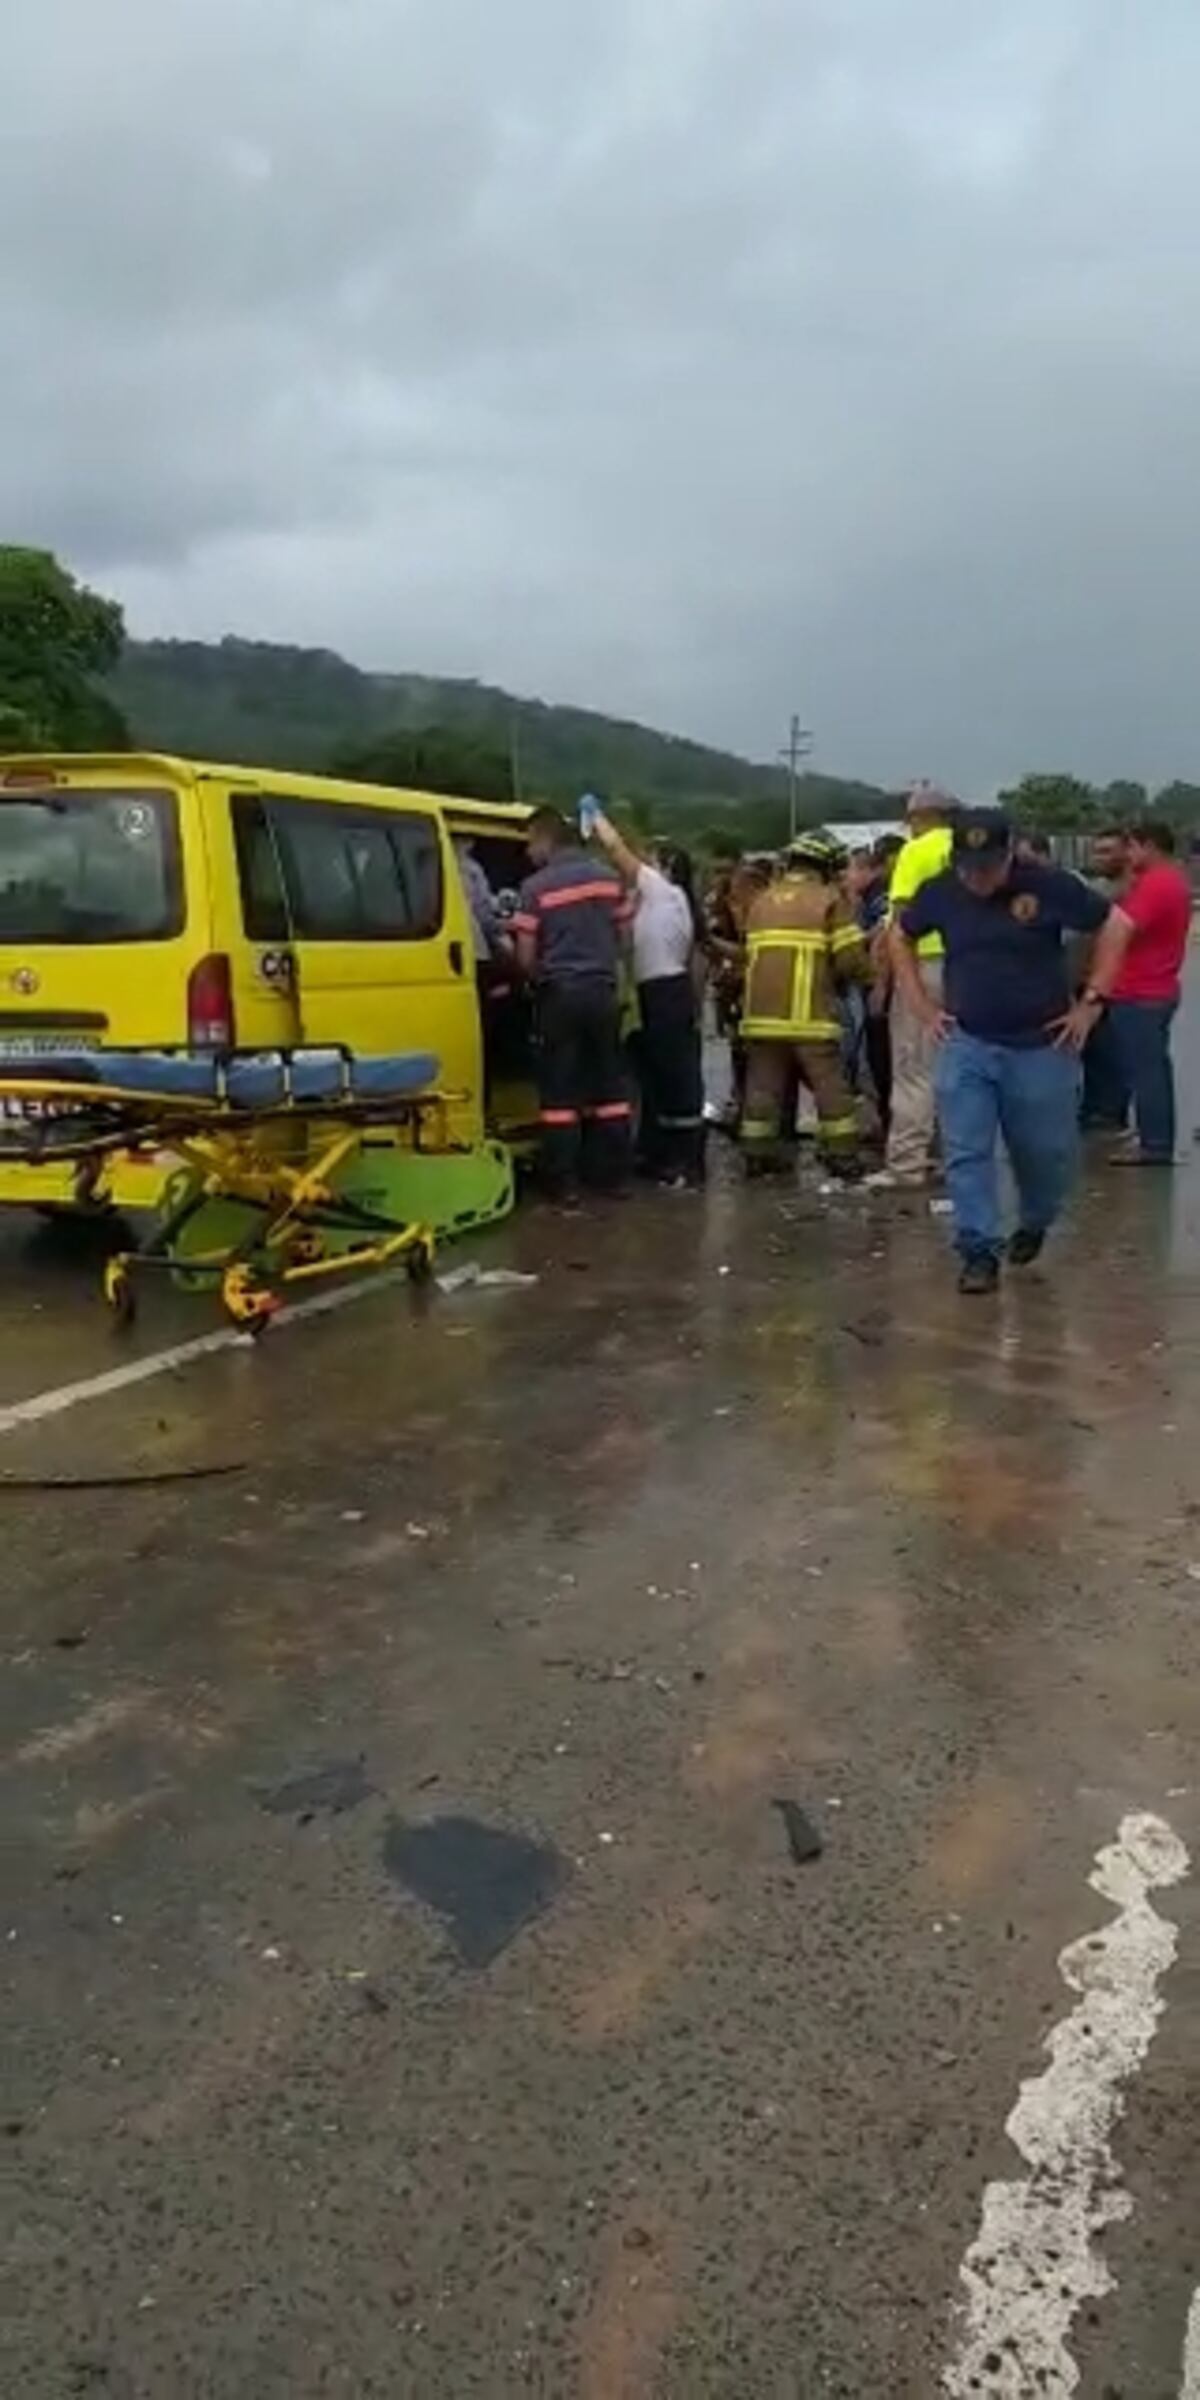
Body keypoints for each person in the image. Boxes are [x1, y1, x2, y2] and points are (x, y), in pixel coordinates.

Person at [893, 809, 1132, 1294]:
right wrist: (919, 1002)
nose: (977, 878)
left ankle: (1035, 1221)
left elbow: (1117, 925)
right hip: (969, 1041)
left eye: (988, 867)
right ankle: (978, 1250)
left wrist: (1091, 1003)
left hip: (1042, 1046)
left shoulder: (1048, 886)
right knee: (966, 1152)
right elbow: (899, 934)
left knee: (1045, 1155)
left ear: (1009, 855)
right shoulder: (940, 891)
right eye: (968, 867)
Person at [512, 808, 633, 1197]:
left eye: (531, 842)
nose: (529, 852)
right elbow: (626, 939)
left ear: (547, 839)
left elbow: (525, 956)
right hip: (603, 992)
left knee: (559, 1092)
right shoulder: (608, 879)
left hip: (560, 995)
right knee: (610, 1088)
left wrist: (535, 982)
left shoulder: (535, 888)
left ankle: (564, 1182)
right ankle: (613, 1178)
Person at [739, 831, 873, 1179]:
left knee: (763, 1085)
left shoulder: (763, 901)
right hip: (809, 1016)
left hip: (761, 1016)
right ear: (826, 866)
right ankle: (843, 1156)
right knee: (829, 1085)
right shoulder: (830, 900)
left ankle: (757, 1154)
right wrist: (870, 976)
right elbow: (849, 962)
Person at [587, 809, 705, 1184]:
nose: (646, 864)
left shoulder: (664, 892)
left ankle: (686, 1161)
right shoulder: (659, 901)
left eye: (653, 859)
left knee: (674, 1079)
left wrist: (598, 820)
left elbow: (620, 853)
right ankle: (659, 1156)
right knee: (654, 1079)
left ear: (666, 867)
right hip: (656, 992)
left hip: (663, 991)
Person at [874, 781, 957, 1187]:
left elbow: (901, 920)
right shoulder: (970, 850)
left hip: (925, 964)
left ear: (921, 817)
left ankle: (907, 1163)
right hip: (971, 967)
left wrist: (884, 976)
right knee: (958, 1064)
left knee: (913, 1066)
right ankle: (951, 1156)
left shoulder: (917, 851)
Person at [1103, 822, 1192, 1166]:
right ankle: (1154, 1137)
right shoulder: (1168, 881)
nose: (1127, 855)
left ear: (1150, 846)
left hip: (1142, 990)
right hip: (1153, 987)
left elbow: (1122, 926)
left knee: (1147, 1071)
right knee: (1149, 1068)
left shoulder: (1157, 885)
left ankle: (1155, 1143)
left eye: (1132, 847)